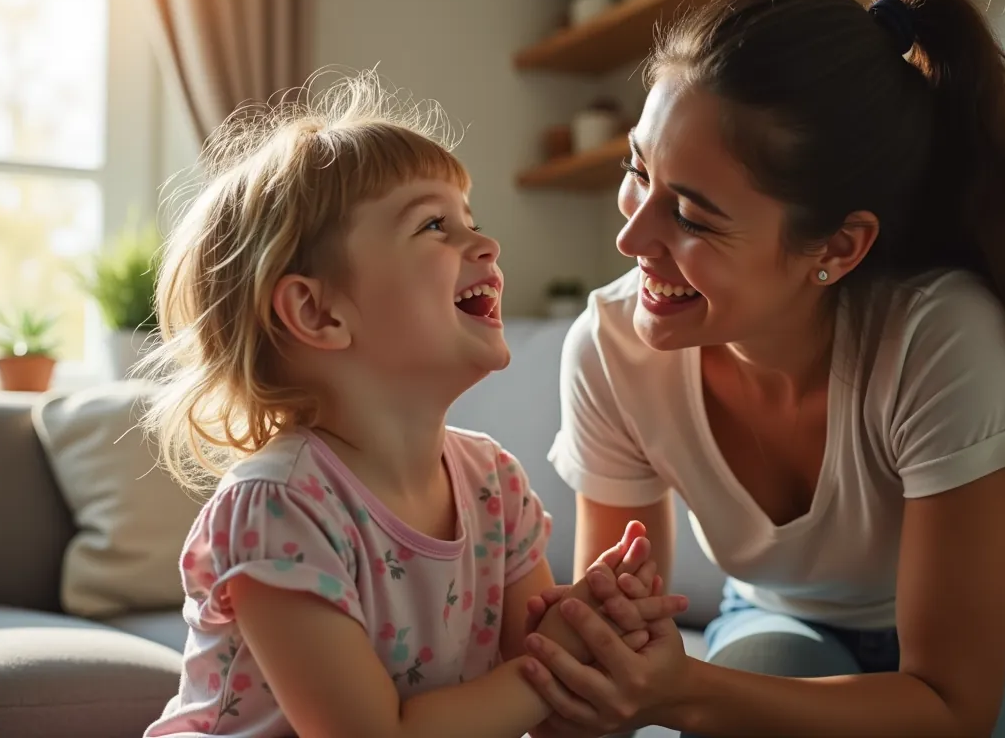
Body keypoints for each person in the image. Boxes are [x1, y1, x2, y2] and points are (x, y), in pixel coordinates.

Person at [518, 0, 1005, 738]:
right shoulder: (609, 349)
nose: (630, 240)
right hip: (782, 616)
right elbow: (614, 637)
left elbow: (950, 705)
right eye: (638, 173)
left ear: (837, 247)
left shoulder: (938, 340)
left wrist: (677, 696)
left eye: (694, 217)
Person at [139, 71, 689, 738]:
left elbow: (544, 713)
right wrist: (558, 661)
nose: (485, 244)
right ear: (317, 311)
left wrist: (596, 632)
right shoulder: (278, 505)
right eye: (434, 225)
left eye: (471, 221)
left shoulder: (496, 489)